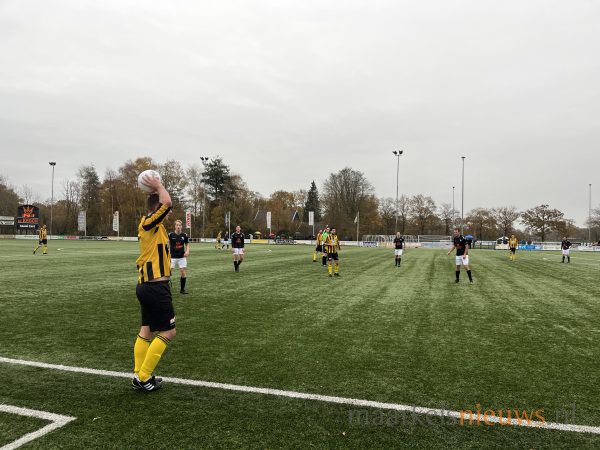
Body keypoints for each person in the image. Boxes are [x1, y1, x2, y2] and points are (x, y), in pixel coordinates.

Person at [132, 173, 175, 392]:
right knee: (168, 332)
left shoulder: (152, 225)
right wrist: (158, 185)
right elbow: (167, 203)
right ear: (156, 207)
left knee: (146, 330)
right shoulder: (150, 223)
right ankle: (144, 377)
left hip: (147, 286)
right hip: (155, 286)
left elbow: (166, 205)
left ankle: (139, 375)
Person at [169, 220, 190, 294]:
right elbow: (166, 243)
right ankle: (166, 289)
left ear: (181, 226)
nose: (178, 226)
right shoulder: (170, 235)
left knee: (183, 272)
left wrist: (187, 251)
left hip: (182, 257)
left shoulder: (184, 235)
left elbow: (187, 244)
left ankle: (182, 290)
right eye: (177, 225)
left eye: (180, 225)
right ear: (175, 226)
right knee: (168, 272)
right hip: (172, 257)